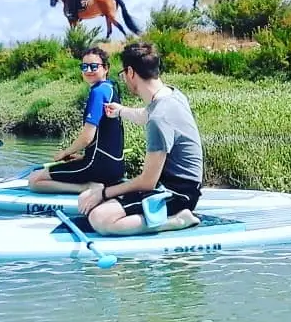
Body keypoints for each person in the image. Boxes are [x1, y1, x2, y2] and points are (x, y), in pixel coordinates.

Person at [77, 42, 203, 235]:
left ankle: (176, 220)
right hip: (168, 184)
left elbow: (147, 182)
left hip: (178, 192)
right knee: (86, 198)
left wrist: (103, 193)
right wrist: (120, 111)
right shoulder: (170, 95)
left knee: (100, 218)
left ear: (130, 72)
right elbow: (144, 115)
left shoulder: (160, 118)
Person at [27, 47, 126, 193]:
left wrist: (64, 153)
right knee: (44, 174)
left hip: (98, 167)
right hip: (115, 167)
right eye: (84, 66)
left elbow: (87, 138)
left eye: (94, 66)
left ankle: (86, 188)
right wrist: (82, 156)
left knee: (35, 180)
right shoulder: (111, 88)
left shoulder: (98, 92)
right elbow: (105, 138)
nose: (88, 70)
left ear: (106, 68)